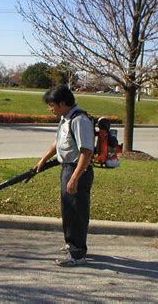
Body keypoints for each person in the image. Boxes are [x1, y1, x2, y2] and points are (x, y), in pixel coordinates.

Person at [36, 85, 95, 267]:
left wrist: (75, 177)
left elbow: (86, 152)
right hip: (68, 168)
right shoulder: (65, 119)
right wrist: (44, 159)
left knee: (77, 212)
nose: (50, 108)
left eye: (52, 105)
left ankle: (77, 254)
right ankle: (71, 244)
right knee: (68, 210)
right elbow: (58, 142)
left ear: (62, 103)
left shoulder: (80, 120)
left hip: (78, 169)